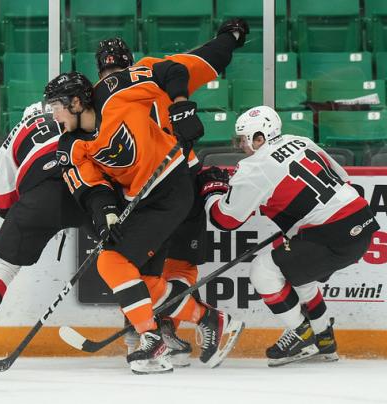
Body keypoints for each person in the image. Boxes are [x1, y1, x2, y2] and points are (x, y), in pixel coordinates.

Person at [43, 19, 248, 374]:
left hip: (172, 182)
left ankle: (155, 334)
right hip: (144, 194)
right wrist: (105, 214)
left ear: (78, 99)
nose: (54, 115)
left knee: (139, 264)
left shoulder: (121, 86)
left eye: (58, 106)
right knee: (135, 269)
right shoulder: (71, 143)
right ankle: (186, 324)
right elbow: (92, 188)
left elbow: (175, 70)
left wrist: (182, 107)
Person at [198, 105, 380, 367]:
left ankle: (302, 336)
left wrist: (212, 191)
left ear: (259, 137)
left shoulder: (253, 168)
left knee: (263, 271)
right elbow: (343, 178)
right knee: (300, 274)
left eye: (244, 139)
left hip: (328, 233)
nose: (241, 146)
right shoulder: (300, 140)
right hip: (361, 221)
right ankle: (324, 339)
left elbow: (225, 219)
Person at [92, 36, 232, 367]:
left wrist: (228, 40)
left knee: (160, 263)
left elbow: (191, 64)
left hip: (169, 182)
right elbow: (199, 60)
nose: (111, 73)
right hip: (160, 187)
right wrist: (229, 38)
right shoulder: (143, 74)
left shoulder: (112, 92)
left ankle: (158, 329)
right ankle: (159, 329)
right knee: (148, 265)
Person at [0, 102, 92, 370]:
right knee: (122, 255)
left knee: (0, 264)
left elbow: (4, 206)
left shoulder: (15, 135)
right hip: (87, 188)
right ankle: (145, 333)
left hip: (40, 199)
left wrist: (4, 241)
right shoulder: (75, 116)